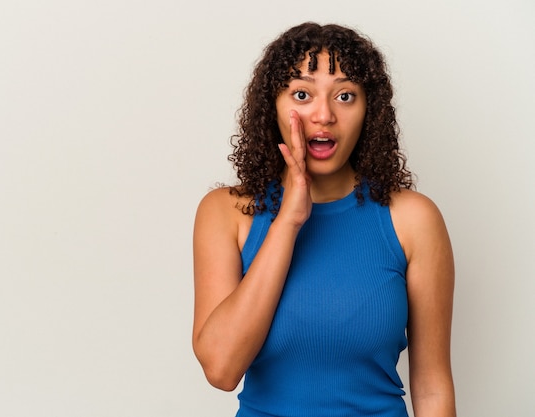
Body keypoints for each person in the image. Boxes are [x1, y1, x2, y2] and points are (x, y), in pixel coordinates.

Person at [192, 22, 456, 417]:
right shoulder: (226, 212)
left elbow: (432, 386)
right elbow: (221, 368)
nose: (324, 114)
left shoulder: (414, 220)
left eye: (346, 96)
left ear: (370, 112)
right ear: (273, 107)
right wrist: (288, 221)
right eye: (302, 94)